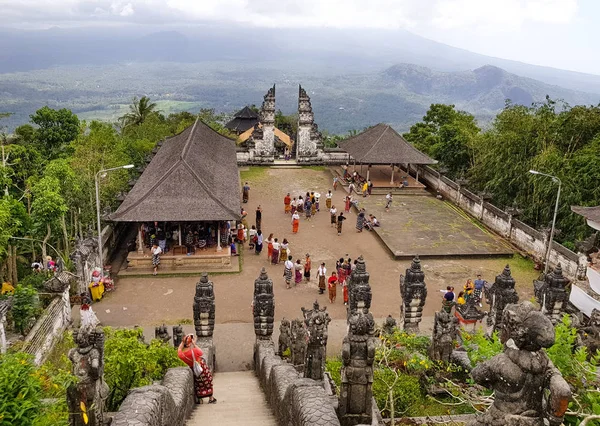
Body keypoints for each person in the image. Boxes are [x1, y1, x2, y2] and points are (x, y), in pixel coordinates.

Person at [178, 334, 216, 404]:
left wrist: (183, 343)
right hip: (201, 367)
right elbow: (201, 352)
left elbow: (179, 350)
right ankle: (211, 398)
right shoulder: (194, 351)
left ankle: (199, 399)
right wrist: (194, 344)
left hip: (193, 369)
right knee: (207, 381)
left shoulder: (182, 355)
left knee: (198, 384)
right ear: (190, 344)